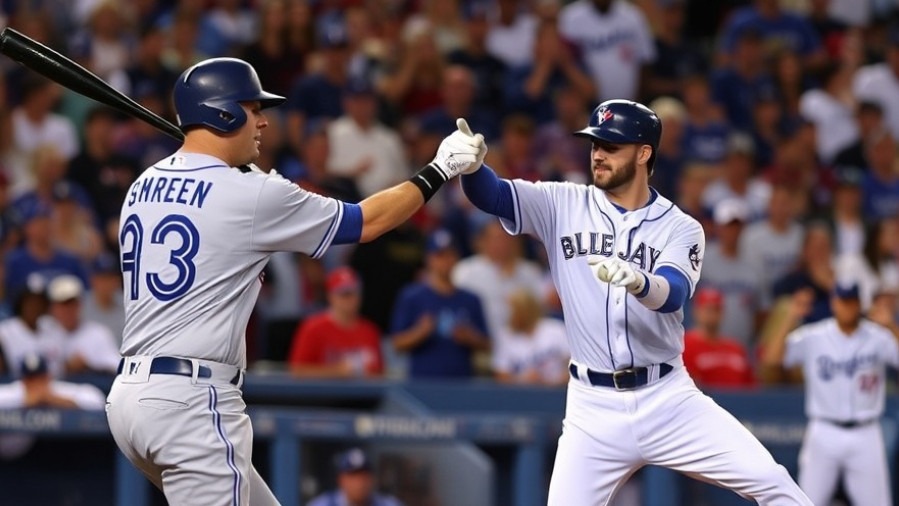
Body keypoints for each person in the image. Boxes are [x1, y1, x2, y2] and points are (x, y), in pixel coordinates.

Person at [104, 57, 485, 505]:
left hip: (130, 399)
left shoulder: (143, 183)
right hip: (191, 401)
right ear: (222, 113)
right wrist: (439, 168)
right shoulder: (254, 193)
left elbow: (214, 216)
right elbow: (368, 222)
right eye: (252, 108)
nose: (264, 121)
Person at [458, 99, 812, 504]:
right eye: (595, 144)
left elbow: (673, 292)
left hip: (667, 398)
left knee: (771, 480)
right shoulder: (563, 202)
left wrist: (643, 283)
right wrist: (472, 169)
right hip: (592, 407)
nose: (598, 154)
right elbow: (494, 196)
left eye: (612, 146)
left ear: (644, 153)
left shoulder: (681, 227)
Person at [761, 283, 898, 506]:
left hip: (867, 432)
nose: (847, 307)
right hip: (823, 431)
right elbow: (771, 359)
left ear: (859, 304)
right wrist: (790, 318)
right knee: (806, 502)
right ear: (834, 303)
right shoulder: (814, 335)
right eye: (842, 301)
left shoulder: (878, 336)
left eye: (851, 302)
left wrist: (891, 325)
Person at [390, 229, 490, 379]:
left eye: (450, 255)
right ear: (429, 259)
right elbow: (397, 344)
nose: (445, 261)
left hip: (461, 382)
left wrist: (471, 337)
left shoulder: (470, 299)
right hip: (423, 383)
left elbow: (487, 345)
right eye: (440, 256)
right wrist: (420, 332)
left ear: (457, 258)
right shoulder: (412, 296)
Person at [0, 353, 106, 460]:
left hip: (61, 457)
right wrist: (23, 402)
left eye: (40, 378)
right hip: (13, 455)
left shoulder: (55, 389)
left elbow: (98, 400)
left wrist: (57, 400)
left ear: (48, 377)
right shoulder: (15, 391)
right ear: (23, 380)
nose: (36, 384)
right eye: (30, 380)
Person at [287, 266, 384, 379]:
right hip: (323, 394)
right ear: (331, 296)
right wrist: (336, 372)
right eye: (344, 294)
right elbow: (297, 371)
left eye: (353, 293)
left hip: (362, 395)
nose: (350, 299)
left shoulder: (370, 331)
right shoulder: (313, 328)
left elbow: (379, 373)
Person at [44, 274, 120, 376]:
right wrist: (65, 367)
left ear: (80, 305)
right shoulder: (43, 331)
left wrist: (88, 366)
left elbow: (116, 368)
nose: (67, 310)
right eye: (62, 305)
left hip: (90, 388)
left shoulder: (98, 333)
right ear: (52, 307)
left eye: (71, 304)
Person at [492, 288, 569, 386]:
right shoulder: (506, 336)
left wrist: (554, 381)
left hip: (557, 390)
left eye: (513, 311)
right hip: (523, 394)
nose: (510, 315)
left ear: (525, 311)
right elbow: (501, 375)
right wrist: (521, 380)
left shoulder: (555, 329)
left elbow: (574, 363)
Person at [682, 288, 755, 389]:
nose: (712, 315)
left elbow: (750, 386)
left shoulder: (736, 348)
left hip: (738, 402)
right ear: (696, 311)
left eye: (716, 309)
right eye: (708, 309)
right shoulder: (685, 345)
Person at [307, 447, 404, 506]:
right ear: (341, 480)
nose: (359, 483)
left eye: (364, 476)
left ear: (373, 479)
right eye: (353, 476)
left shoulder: (389, 504)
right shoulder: (322, 504)